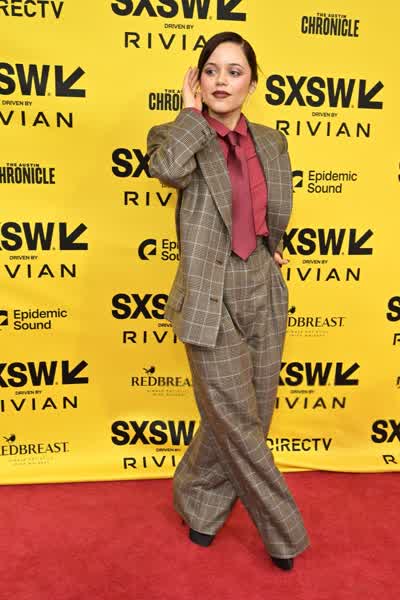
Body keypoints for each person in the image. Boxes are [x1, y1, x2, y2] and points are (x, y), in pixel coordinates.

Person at [147, 31, 309, 571]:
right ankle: (285, 533)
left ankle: (199, 500)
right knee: (236, 419)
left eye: (234, 71)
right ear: (197, 80)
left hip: (261, 283)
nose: (222, 81)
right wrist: (191, 115)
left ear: (252, 83)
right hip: (207, 295)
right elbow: (167, 170)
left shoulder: (272, 141)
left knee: (251, 413)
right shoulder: (178, 134)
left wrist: (272, 245)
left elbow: (273, 203)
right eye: (211, 70)